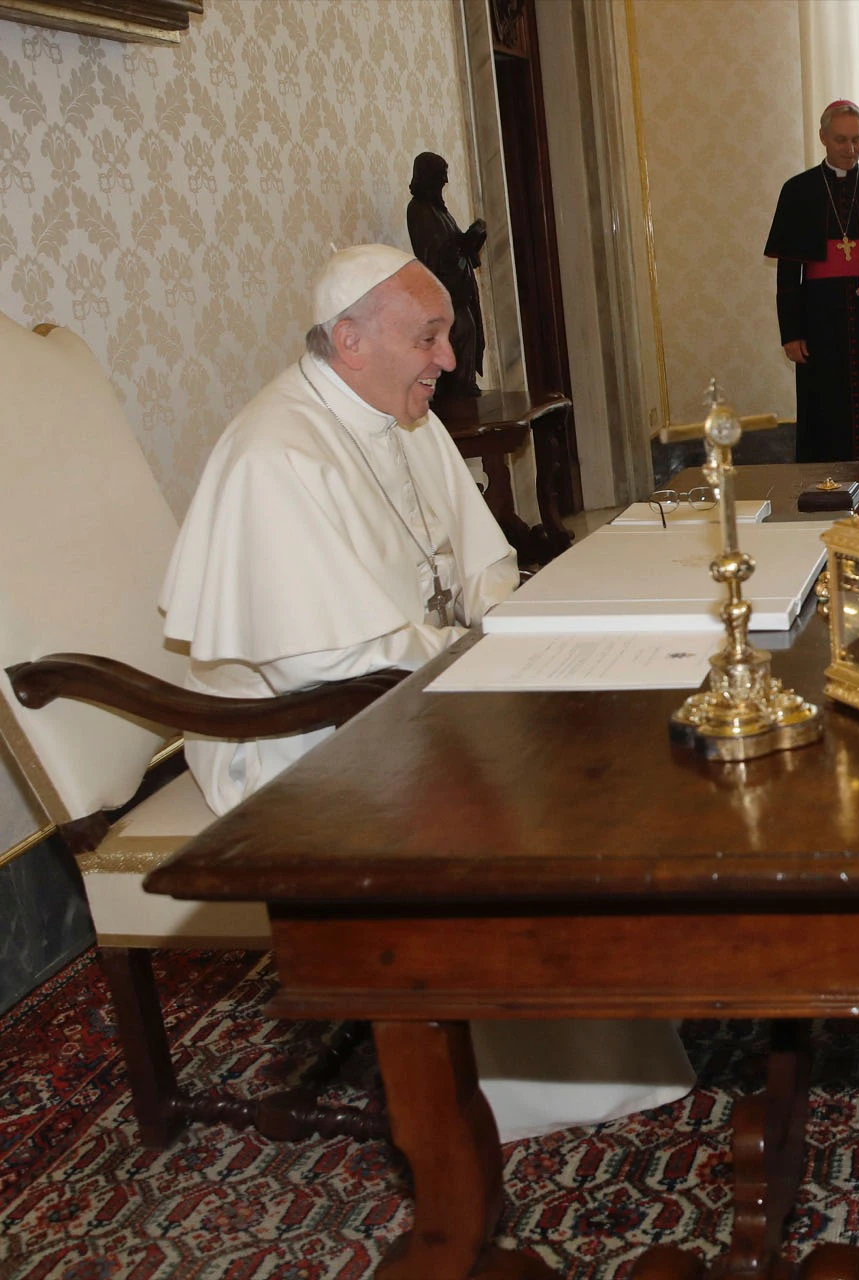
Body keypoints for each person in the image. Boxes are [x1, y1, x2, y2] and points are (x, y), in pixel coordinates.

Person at [160, 244, 694, 1141]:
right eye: (431, 338)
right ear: (351, 339)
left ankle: (622, 998)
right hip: (301, 741)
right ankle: (528, 1081)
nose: (449, 362)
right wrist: (486, 663)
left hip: (411, 687)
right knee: (520, 786)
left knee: (606, 728)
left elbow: (483, 569)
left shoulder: (401, 417)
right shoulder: (275, 455)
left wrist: (511, 638)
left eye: (446, 337)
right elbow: (321, 665)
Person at [764, 100, 859, 462]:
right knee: (825, 403)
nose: (850, 149)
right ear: (823, 137)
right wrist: (791, 332)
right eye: (841, 140)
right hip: (820, 316)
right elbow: (789, 273)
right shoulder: (798, 190)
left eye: (856, 140)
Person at [406, 151, 488, 401]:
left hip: (459, 290)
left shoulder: (439, 210)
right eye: (440, 178)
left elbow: (452, 244)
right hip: (445, 292)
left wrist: (471, 239)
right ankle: (457, 394)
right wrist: (462, 244)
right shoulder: (418, 210)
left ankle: (464, 389)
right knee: (460, 332)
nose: (445, 183)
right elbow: (434, 253)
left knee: (469, 332)